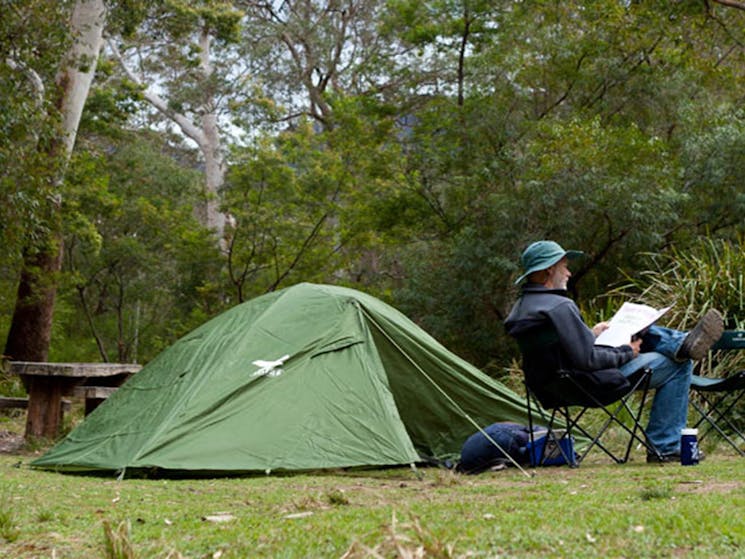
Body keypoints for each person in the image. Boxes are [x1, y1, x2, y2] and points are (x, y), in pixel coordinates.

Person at [504, 240, 724, 463]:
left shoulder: (522, 308)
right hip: (590, 383)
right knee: (679, 364)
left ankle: (681, 344)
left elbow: (560, 351)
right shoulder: (560, 306)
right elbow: (588, 360)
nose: (569, 272)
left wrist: (591, 333)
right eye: (564, 266)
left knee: (634, 331)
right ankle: (665, 446)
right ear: (549, 269)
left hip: (551, 387)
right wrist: (627, 353)